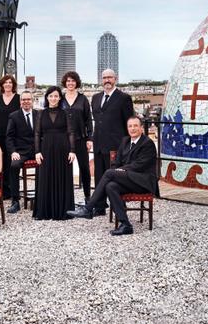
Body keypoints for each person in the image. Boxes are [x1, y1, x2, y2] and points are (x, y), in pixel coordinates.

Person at [68, 116, 159, 235]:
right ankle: (126, 225)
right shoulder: (125, 141)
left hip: (142, 182)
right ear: (127, 128)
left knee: (109, 173)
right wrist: (118, 171)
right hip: (128, 179)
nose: (132, 129)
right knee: (110, 186)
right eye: (130, 126)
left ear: (141, 128)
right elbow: (116, 162)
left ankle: (88, 208)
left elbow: (139, 166)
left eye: (135, 126)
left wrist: (119, 171)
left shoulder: (147, 143)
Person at [89, 69, 134, 213]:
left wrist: (126, 146)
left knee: (115, 177)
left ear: (115, 79)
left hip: (116, 146)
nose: (107, 80)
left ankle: (117, 206)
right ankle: (100, 206)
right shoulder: (95, 98)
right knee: (99, 175)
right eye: (104, 78)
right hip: (99, 144)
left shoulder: (123, 98)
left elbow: (129, 123)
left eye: (109, 77)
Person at [33, 86, 80, 220]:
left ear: (60, 98)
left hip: (63, 148)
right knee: (45, 177)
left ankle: (63, 210)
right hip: (46, 148)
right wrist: (37, 152)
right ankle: (45, 211)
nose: (53, 98)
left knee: (62, 177)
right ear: (47, 98)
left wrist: (72, 150)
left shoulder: (66, 113)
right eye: (50, 96)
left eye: (56, 96)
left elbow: (71, 132)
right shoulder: (40, 113)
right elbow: (37, 133)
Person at [61, 70, 94, 201]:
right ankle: (65, 198)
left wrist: (90, 138)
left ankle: (87, 197)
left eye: (73, 81)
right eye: (68, 81)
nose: (70, 83)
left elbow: (88, 120)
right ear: (65, 82)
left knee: (84, 168)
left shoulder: (83, 99)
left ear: (76, 83)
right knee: (64, 169)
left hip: (81, 139)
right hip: (64, 140)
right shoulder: (60, 99)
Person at [5, 90, 38, 213]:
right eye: (23, 99)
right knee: (14, 166)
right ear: (20, 102)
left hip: (37, 151)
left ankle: (41, 197)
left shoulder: (38, 114)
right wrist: (13, 152)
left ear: (32, 101)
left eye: (28, 99)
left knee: (47, 164)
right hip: (20, 152)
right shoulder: (14, 116)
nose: (26, 102)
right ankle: (15, 201)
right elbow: (9, 137)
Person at [0, 74, 20, 199]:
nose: (8, 84)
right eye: (6, 82)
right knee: (0, 163)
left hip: (14, 136)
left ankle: (13, 190)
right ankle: (2, 191)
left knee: (12, 163)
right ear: (2, 85)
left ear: (13, 85)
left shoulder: (19, 99)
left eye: (10, 82)